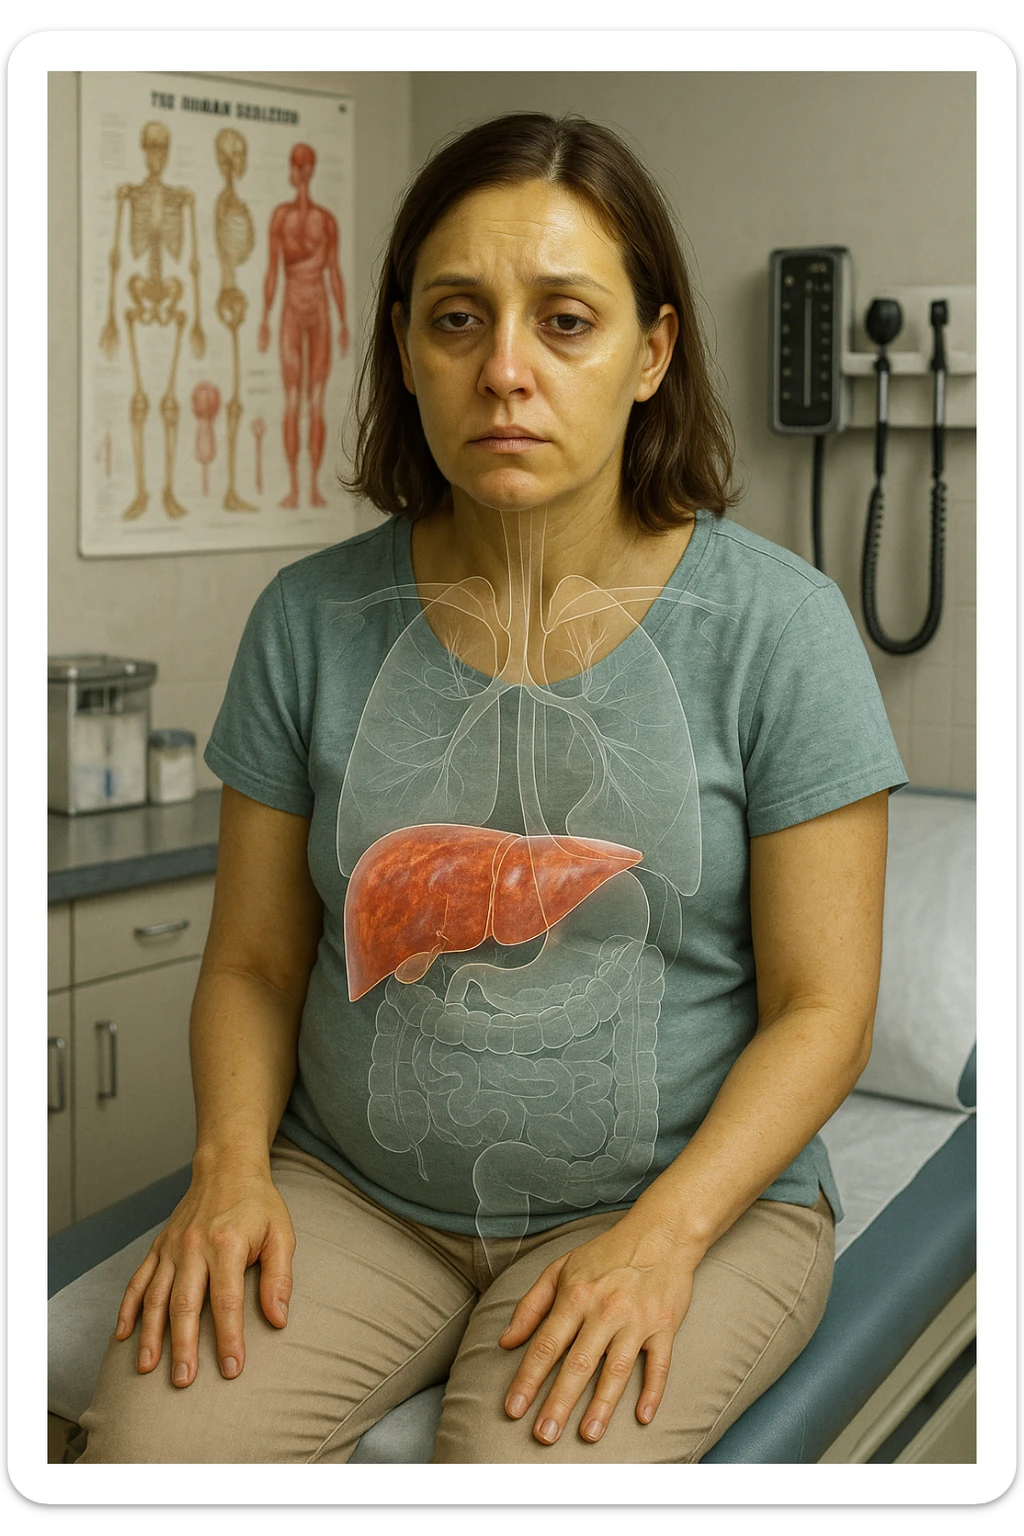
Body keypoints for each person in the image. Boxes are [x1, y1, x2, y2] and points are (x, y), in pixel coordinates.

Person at [79, 112, 906, 1465]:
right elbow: (250, 959)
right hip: (355, 1192)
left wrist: (664, 1241)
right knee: (151, 1453)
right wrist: (229, 1168)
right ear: (404, 345)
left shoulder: (777, 630)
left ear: (652, 350)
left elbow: (826, 1010)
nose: (505, 370)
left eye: (565, 322)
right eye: (458, 319)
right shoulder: (309, 620)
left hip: (669, 1199)